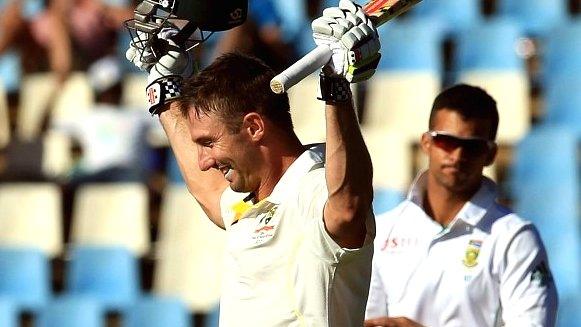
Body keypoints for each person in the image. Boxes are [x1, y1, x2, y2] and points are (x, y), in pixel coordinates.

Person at [126, 0, 382, 325]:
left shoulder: (314, 188)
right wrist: (163, 88)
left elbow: (348, 207)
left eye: (209, 143)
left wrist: (336, 85)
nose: (204, 162)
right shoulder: (245, 201)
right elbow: (207, 191)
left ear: (254, 127)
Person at [364, 84, 558, 327]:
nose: (457, 156)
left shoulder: (515, 238)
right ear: (426, 142)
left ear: (489, 154)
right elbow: (366, 320)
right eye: (446, 141)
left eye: (472, 146)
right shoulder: (382, 230)